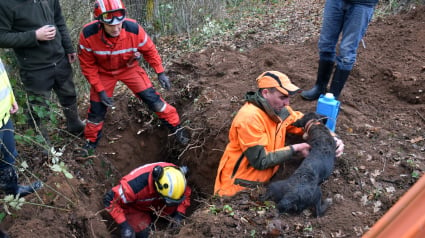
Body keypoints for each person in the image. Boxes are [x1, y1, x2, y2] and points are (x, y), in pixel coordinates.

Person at [78, 0, 189, 154]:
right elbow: (87, 66)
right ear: (101, 22)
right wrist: (99, 89)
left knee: (153, 100)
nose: (116, 28)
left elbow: (150, 50)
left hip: (128, 68)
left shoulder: (134, 29)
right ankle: (91, 142)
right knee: (96, 111)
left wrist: (160, 72)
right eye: (111, 25)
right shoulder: (88, 35)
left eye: (119, 24)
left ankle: (176, 127)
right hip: (102, 73)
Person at [214, 71, 344, 197]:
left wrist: (331, 137)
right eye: (282, 97)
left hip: (262, 181)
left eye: (288, 97)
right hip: (236, 189)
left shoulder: (280, 110)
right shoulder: (249, 118)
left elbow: (305, 122)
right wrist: (295, 149)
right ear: (266, 93)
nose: (287, 103)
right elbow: (261, 160)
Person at [0, 0, 85, 142]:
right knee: (38, 108)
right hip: (34, 66)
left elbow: (59, 19)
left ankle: (75, 126)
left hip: (59, 58)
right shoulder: (6, 4)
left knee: (69, 94)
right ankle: (43, 145)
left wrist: (68, 47)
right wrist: (34, 36)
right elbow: (2, 37)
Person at [301, 0, 379, 100]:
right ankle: (319, 88)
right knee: (326, 44)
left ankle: (332, 96)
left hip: (363, 4)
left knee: (347, 51)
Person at [103, 162, 191, 238]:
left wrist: (179, 214)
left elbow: (185, 192)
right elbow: (109, 200)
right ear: (157, 187)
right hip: (136, 206)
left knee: (173, 207)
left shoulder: (175, 176)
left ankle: (165, 214)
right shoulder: (133, 187)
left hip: (157, 201)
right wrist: (124, 225)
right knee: (145, 233)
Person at [0, 58, 43, 197]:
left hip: (4, 117)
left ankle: (12, 192)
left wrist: (11, 98)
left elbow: (2, 76)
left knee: (9, 155)